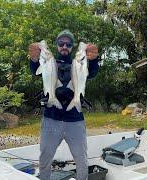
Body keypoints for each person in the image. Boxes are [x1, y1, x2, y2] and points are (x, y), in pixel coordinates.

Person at [28, 29, 99, 180]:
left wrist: (93, 60)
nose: (64, 46)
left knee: (81, 159)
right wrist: (34, 59)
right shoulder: (50, 61)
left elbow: (92, 73)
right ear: (57, 45)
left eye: (68, 44)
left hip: (75, 120)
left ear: (72, 46)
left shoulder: (78, 62)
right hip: (51, 119)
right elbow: (35, 70)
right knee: (45, 158)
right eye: (61, 43)